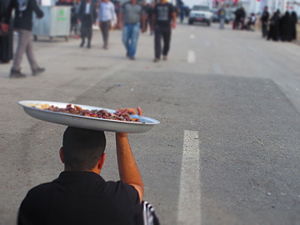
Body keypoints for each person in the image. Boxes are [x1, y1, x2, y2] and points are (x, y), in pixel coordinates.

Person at [17, 127, 146, 225]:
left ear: (62, 155)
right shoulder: (121, 199)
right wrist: (121, 134)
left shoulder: (35, 199)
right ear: (101, 160)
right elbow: (136, 185)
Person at [6, 0, 45, 78]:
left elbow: (9, 9)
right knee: (21, 48)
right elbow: (39, 12)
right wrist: (40, 15)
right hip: (26, 26)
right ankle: (15, 69)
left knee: (29, 48)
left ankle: (35, 68)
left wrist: (7, 20)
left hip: (17, 24)